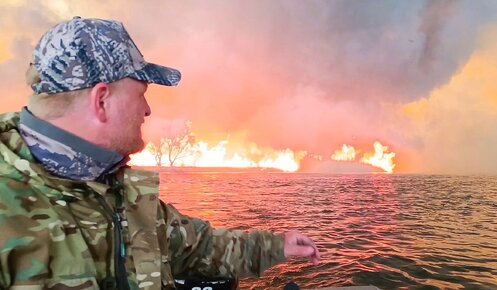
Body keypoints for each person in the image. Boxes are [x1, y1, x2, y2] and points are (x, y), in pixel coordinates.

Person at [0, 17, 320, 289]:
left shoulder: (118, 189)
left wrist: (275, 246)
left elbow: (198, 246)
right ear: (101, 101)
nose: (148, 109)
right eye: (141, 93)